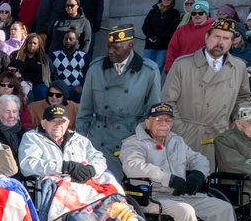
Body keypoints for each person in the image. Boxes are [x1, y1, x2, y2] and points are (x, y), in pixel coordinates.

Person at [120, 103, 246, 221]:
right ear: (147, 122)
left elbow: (199, 159)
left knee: (221, 207)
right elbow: (133, 166)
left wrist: (197, 174)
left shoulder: (176, 141)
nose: (164, 124)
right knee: (185, 210)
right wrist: (168, 178)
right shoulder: (134, 143)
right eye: (159, 120)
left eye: (168, 120)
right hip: (152, 196)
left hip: (180, 194)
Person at [162, 18, 250, 167]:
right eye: (216, 36)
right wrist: (180, 128)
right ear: (206, 37)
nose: (220, 42)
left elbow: (243, 97)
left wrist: (238, 118)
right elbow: (167, 101)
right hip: (187, 135)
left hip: (220, 135)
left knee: (214, 183)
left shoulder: (239, 67)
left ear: (231, 42)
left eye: (226, 38)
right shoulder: (182, 64)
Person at [78, 25, 161, 178]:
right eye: (109, 46)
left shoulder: (148, 71)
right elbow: (84, 111)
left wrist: (144, 144)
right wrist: (81, 143)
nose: (110, 51)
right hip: (98, 139)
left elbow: (152, 115)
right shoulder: (96, 69)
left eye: (116, 47)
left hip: (128, 139)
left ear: (130, 46)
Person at [20, 103, 106, 181]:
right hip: (51, 191)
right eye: (53, 121)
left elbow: (99, 159)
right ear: (43, 123)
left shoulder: (80, 140)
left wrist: (92, 170)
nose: (58, 125)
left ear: (67, 123)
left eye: (62, 121)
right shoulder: (32, 137)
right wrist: (64, 167)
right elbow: (27, 166)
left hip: (82, 189)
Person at [165, 0, 214, 73]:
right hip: (184, 70)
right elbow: (172, 50)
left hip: (206, 70)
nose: (197, 15)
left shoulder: (215, 29)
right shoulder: (181, 30)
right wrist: (169, 68)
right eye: (194, 13)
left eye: (200, 13)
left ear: (206, 14)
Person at [141, 0, 182, 73]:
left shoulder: (175, 13)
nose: (166, 0)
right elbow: (145, 26)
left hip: (163, 46)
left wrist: (160, 38)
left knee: (157, 69)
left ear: (173, 0)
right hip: (150, 45)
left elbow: (172, 28)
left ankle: (154, 85)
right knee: (145, 67)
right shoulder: (153, 12)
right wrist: (152, 36)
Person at [48, 28, 90, 102]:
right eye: (66, 39)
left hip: (77, 89)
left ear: (77, 41)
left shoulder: (84, 56)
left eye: (71, 39)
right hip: (58, 89)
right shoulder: (53, 55)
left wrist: (81, 86)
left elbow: (88, 73)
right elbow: (48, 73)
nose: (68, 41)